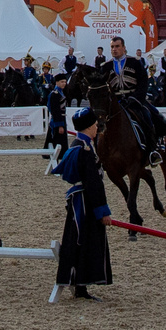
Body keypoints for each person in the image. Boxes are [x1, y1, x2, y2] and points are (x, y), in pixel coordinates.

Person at [51, 107, 113, 300]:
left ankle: (79, 285)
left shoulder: (77, 144)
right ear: (88, 127)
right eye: (95, 125)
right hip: (85, 202)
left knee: (79, 239)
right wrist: (103, 211)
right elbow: (93, 183)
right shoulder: (84, 149)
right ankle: (81, 286)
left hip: (79, 199)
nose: (97, 127)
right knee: (85, 240)